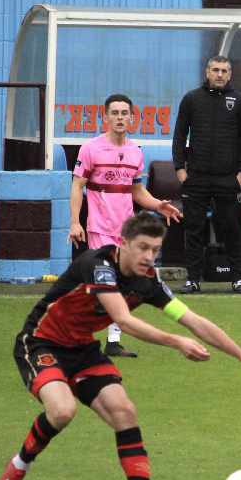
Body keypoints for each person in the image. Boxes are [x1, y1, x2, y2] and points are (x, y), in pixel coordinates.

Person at [0, 213, 241, 480]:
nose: (149, 257)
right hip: (40, 343)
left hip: (83, 349)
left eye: (155, 249)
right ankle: (20, 464)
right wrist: (176, 343)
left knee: (124, 411)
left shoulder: (148, 281)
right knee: (62, 411)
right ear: (123, 243)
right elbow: (123, 321)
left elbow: (193, 320)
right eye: (143, 248)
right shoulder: (98, 266)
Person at [69, 93, 182, 358]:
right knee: (104, 282)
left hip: (127, 230)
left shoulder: (135, 152)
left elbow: (137, 191)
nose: (120, 118)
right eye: (115, 113)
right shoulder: (90, 149)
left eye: (124, 113)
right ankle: (74, 331)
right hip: (98, 226)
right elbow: (77, 186)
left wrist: (158, 205)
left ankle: (113, 340)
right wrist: (75, 222)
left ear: (132, 118)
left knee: (123, 283)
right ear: (106, 117)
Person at [172, 55, 241, 294]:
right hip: (195, 177)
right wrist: (180, 168)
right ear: (207, 72)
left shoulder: (240, 101)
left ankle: (237, 278)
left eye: (224, 71)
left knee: (231, 228)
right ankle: (193, 279)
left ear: (230, 74)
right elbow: (179, 135)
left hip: (228, 177)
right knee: (194, 229)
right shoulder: (191, 99)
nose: (220, 74)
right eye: (215, 70)